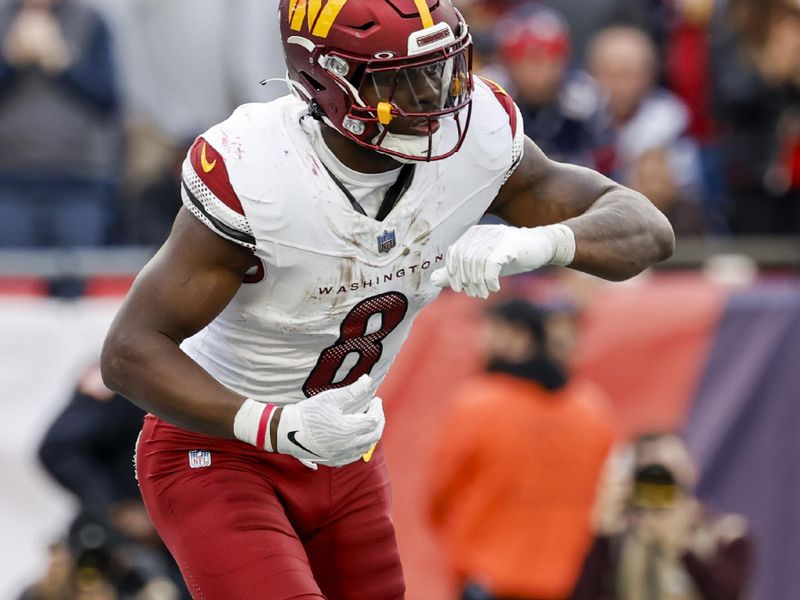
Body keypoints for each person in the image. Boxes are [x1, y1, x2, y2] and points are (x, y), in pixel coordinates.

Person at [100, 0, 674, 597]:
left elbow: (647, 230)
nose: (434, 95)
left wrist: (544, 243)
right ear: (326, 79)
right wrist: (275, 427)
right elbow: (128, 351)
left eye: (442, 67)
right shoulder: (258, 170)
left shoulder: (479, 138)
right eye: (401, 77)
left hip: (345, 451)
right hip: (223, 447)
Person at [427, 299, 618, 600]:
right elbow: (607, 500)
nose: (480, 343)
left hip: (487, 580)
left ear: (518, 337)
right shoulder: (593, 409)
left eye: (490, 332)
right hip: (568, 581)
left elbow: (439, 497)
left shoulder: (477, 403)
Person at [571, 432, 754, 600]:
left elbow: (727, 594)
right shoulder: (619, 537)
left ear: (692, 470)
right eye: (653, 468)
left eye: (671, 466)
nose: (662, 478)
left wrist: (683, 547)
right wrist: (601, 534)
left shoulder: (725, 535)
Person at [0, 0, 121, 248]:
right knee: (14, 279)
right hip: (10, 182)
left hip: (79, 183)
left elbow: (109, 99)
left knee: (79, 280)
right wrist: (10, 61)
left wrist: (62, 62)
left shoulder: (91, 20)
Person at [588, 26, 706, 236]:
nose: (620, 86)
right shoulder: (577, 114)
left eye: (628, 75)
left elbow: (681, 188)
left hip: (658, 226)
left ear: (649, 76)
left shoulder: (669, 117)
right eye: (610, 74)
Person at [491, 5, 615, 172]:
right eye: (525, 63)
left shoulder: (584, 98)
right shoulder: (490, 96)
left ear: (563, 61)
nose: (536, 76)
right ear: (507, 64)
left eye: (545, 63)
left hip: (576, 188)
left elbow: (605, 164)